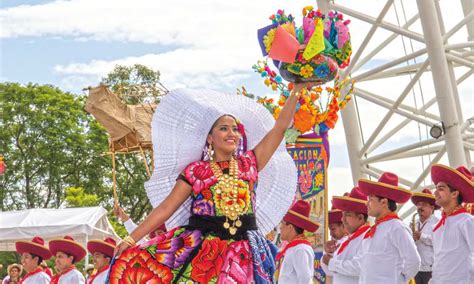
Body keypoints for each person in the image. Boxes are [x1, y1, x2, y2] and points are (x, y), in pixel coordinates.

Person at [109, 86, 306, 283]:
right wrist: (131, 239)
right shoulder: (195, 171)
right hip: (205, 253)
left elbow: (280, 128)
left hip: (244, 254)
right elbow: (165, 208)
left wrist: (297, 89)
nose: (232, 133)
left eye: (235, 129)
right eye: (224, 128)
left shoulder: (249, 163)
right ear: (210, 138)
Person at [356, 172, 421, 283]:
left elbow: (414, 261)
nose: (367, 204)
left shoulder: (397, 227)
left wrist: (400, 279)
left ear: (384, 202)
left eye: (371, 199)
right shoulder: (374, 229)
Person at [430, 164, 474, 284]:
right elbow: (438, 260)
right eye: (436, 188)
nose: (435, 192)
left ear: (454, 194)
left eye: (441, 188)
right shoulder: (438, 226)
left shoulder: (467, 221)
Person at [322, 186, 370, 284]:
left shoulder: (368, 236)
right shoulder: (348, 240)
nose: (342, 219)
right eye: (342, 215)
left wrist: (332, 263)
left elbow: (360, 266)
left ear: (360, 218)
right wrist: (329, 254)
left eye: (347, 215)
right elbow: (329, 272)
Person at [274, 200, 318, 284]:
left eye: (282, 223)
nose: (280, 228)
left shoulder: (300, 249)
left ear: (290, 227)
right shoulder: (294, 247)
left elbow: (305, 280)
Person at [410, 188, 439, 284]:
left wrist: (421, 236)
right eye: (418, 204)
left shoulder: (437, 223)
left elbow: (439, 242)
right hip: (416, 268)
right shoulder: (415, 222)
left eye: (424, 205)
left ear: (432, 207)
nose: (420, 207)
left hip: (431, 268)